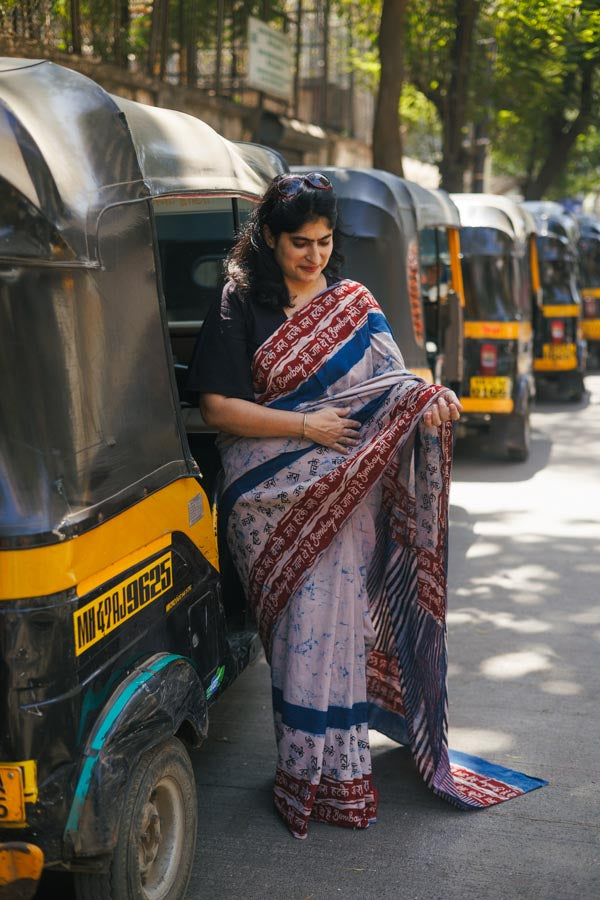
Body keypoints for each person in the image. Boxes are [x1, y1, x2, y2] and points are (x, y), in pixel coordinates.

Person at [188, 173, 546, 839]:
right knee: (300, 637)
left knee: (341, 630)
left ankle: (343, 775)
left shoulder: (352, 302)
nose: (314, 256)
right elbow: (215, 408)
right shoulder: (241, 304)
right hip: (269, 503)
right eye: (300, 243)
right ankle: (303, 774)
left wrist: (427, 400)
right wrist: (307, 428)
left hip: (349, 500)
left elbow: (390, 386)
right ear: (268, 238)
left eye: (325, 243)